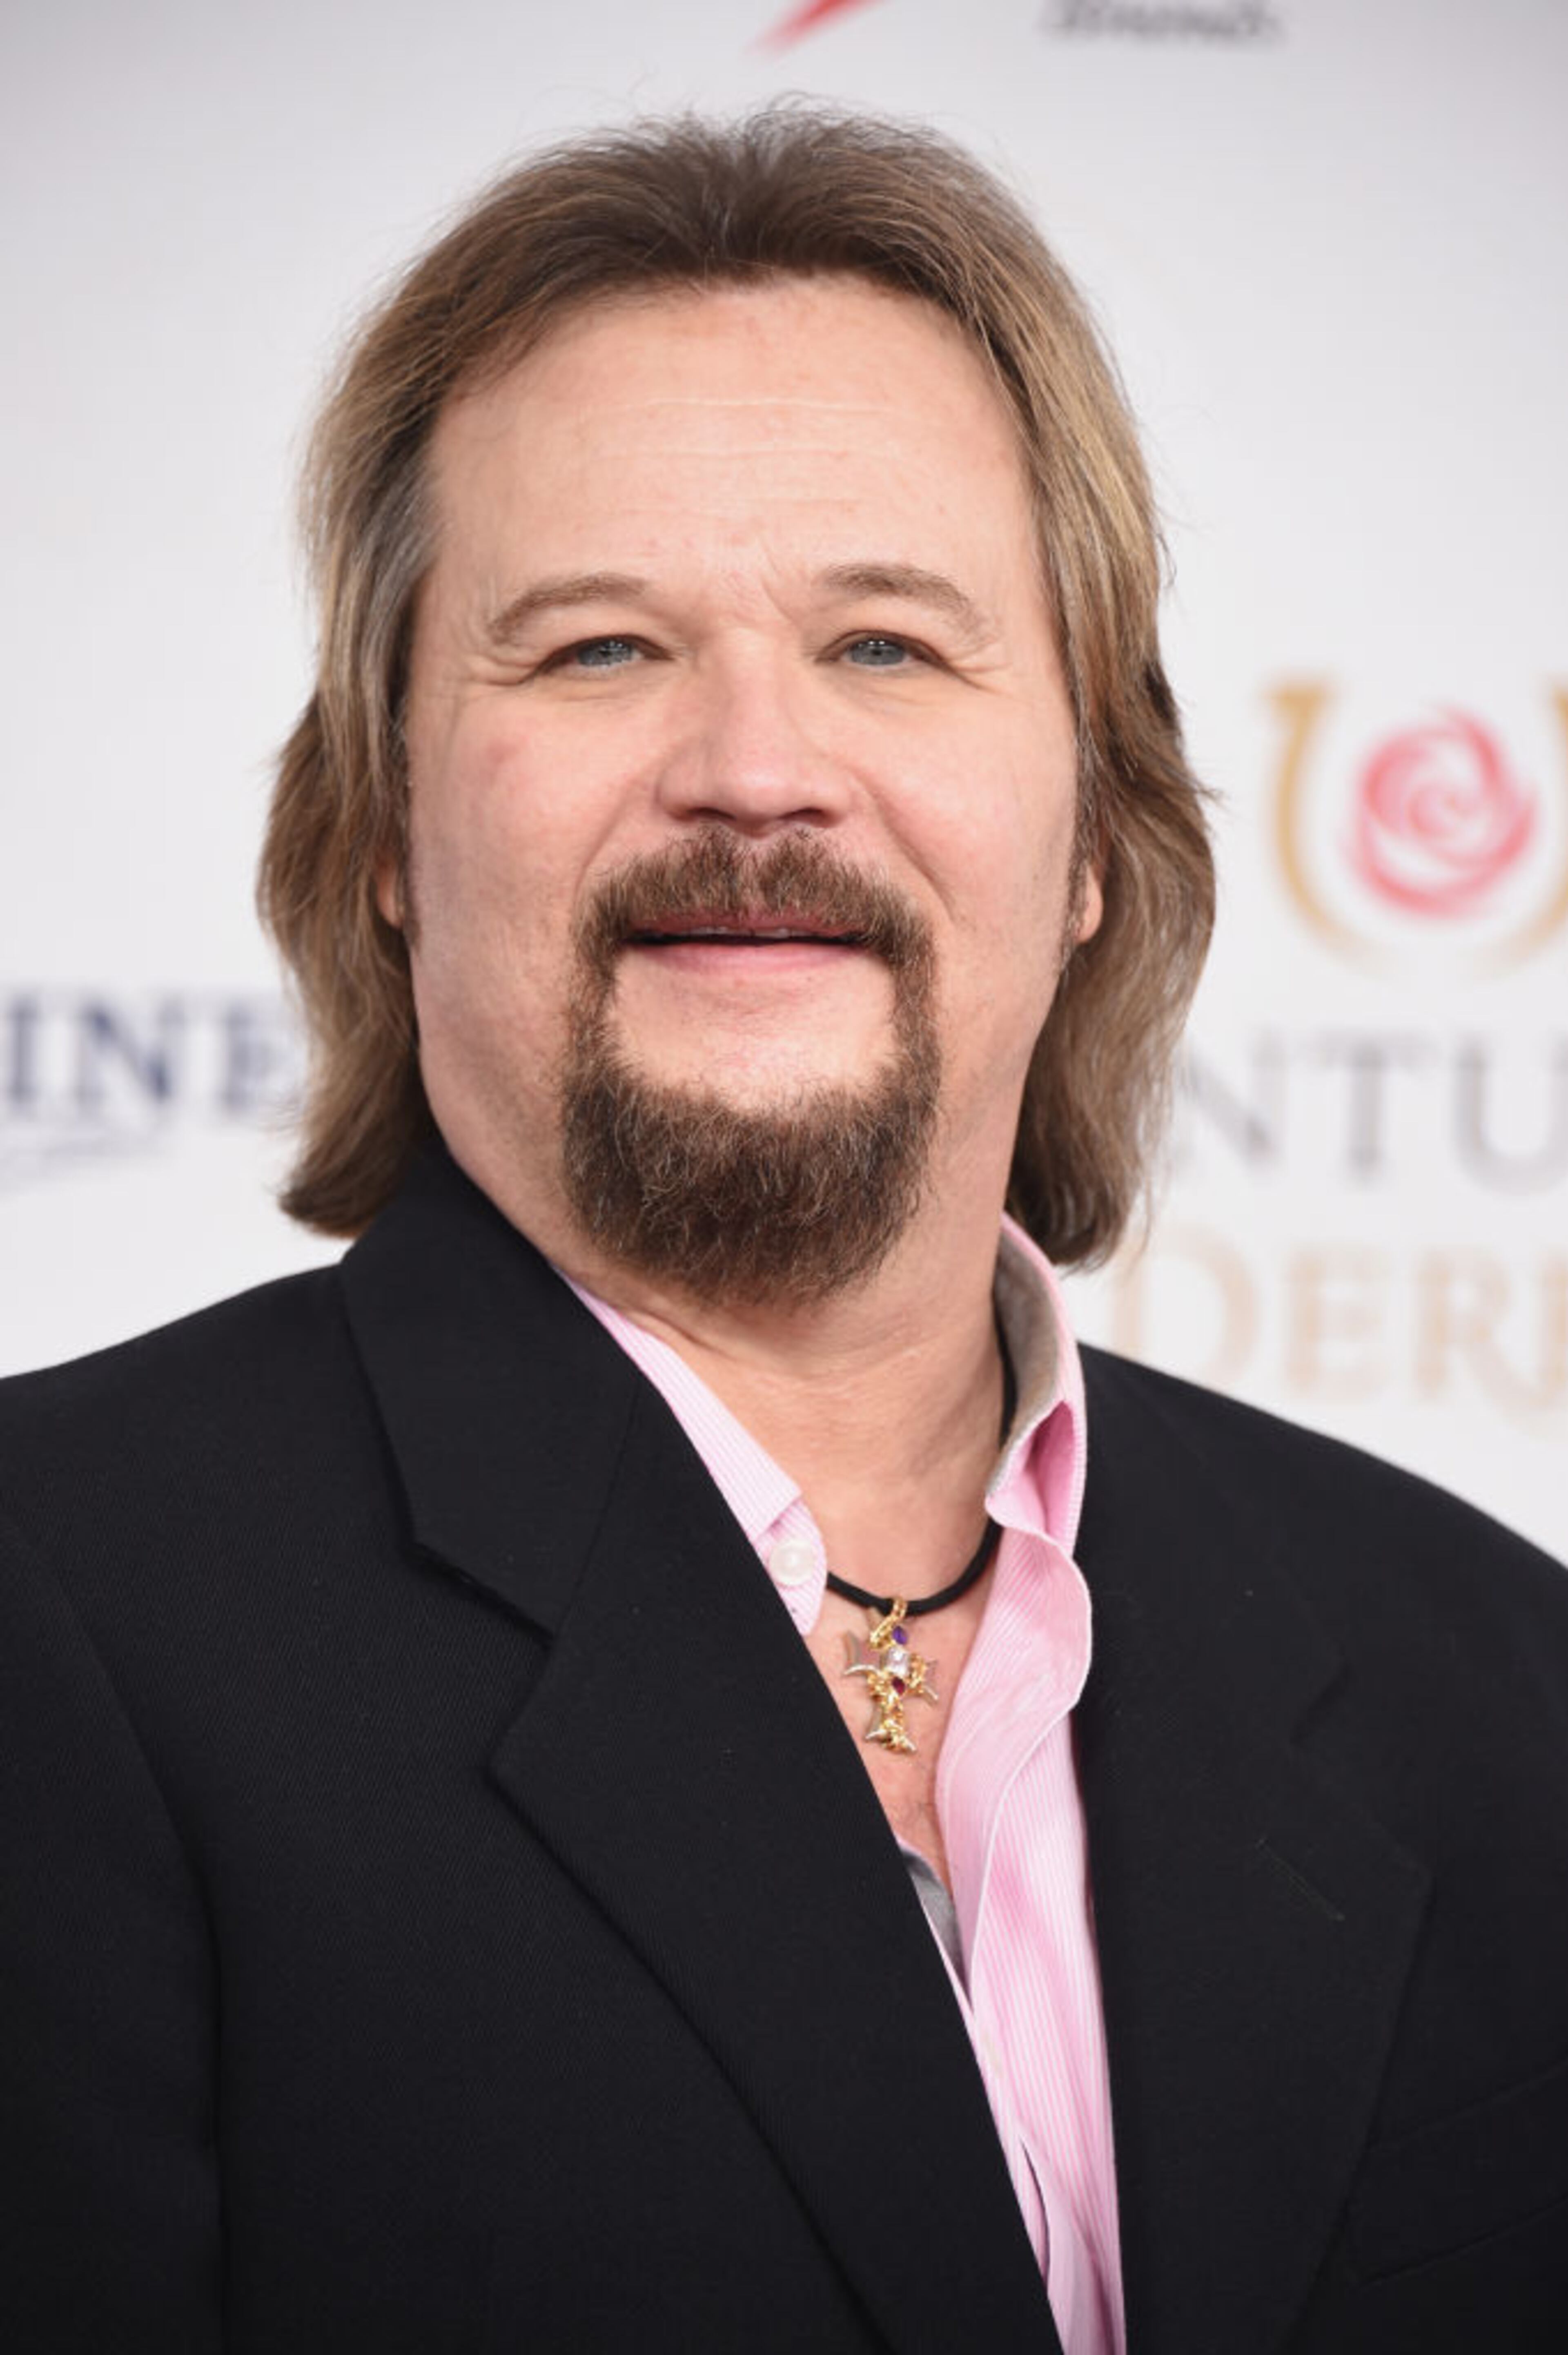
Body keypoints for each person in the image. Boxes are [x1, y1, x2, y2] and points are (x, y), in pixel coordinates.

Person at [2, 106, 1566, 2355]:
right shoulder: (53, 1624)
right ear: (381, 831)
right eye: (601, 649)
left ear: (1099, 834)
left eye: (893, 648)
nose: (756, 766)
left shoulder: (1504, 1686)